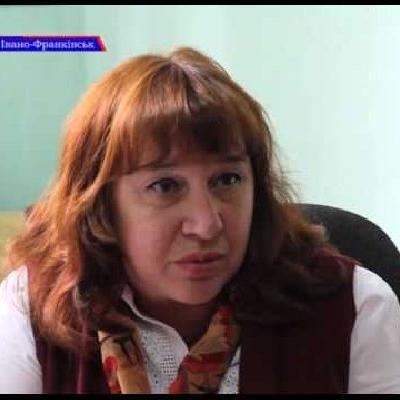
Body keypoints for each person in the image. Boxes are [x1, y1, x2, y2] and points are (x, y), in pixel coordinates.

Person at [1, 46, 400, 394]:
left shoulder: (355, 306)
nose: (207, 225)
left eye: (227, 180)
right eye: (165, 186)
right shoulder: (29, 307)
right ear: (102, 205)